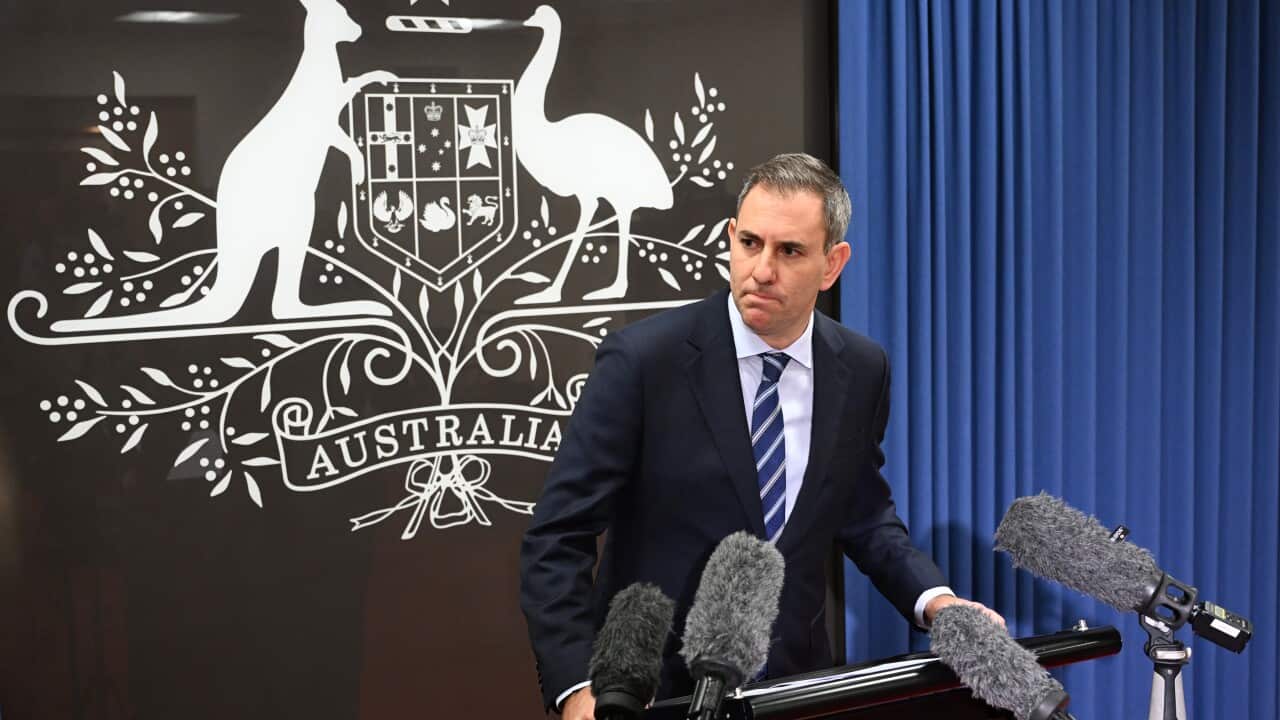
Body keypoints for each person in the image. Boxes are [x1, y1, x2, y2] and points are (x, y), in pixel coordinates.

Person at [519, 153, 1003, 719]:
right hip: (657, 694)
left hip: (796, 691)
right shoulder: (645, 361)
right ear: (730, 238)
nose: (761, 270)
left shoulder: (861, 367)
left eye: (789, 251)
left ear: (832, 264)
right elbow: (559, 536)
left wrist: (937, 602)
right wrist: (578, 686)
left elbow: (862, 512)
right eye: (749, 243)